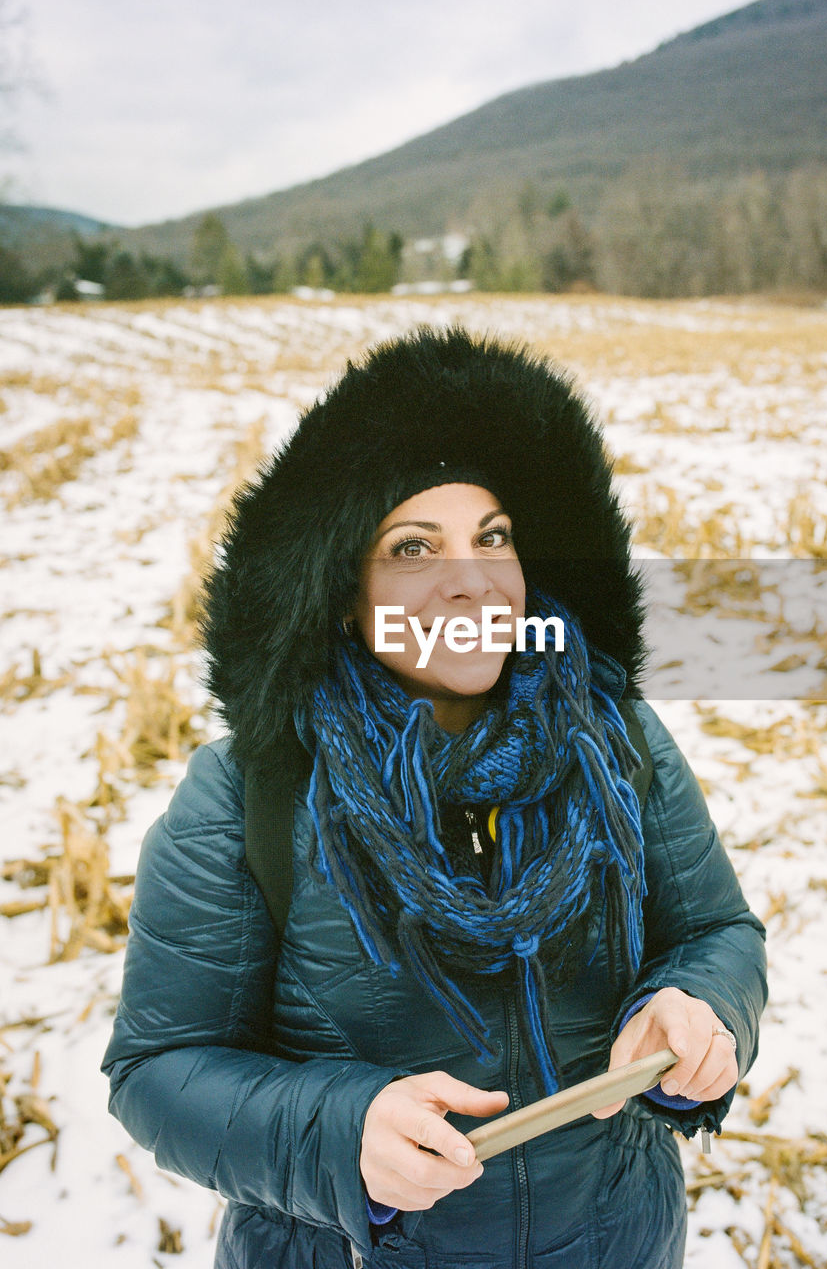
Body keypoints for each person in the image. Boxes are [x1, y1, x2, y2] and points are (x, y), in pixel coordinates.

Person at [102, 327, 767, 1269]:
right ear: (343, 593)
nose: (471, 579)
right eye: (414, 547)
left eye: (493, 537)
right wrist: (339, 1132)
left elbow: (718, 933)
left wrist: (698, 1007)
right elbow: (157, 1070)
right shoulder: (247, 796)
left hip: (618, 1242)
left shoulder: (613, 741)